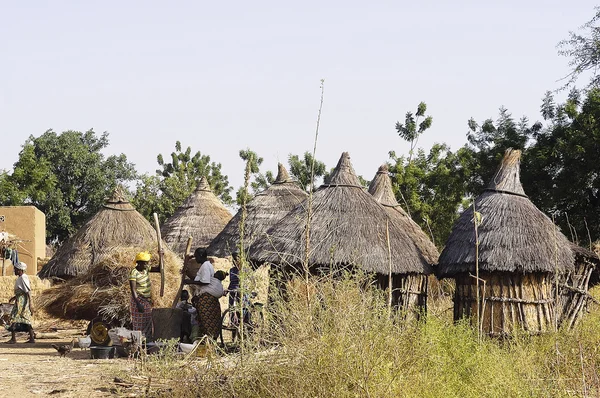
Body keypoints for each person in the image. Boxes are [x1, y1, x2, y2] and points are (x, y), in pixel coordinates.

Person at [183, 248, 223, 341]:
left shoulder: (205, 266)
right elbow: (198, 280)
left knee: (207, 321)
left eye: (196, 256)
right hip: (207, 297)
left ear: (201, 256)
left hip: (206, 298)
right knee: (206, 321)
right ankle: (209, 341)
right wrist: (188, 274)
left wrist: (189, 281)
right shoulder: (206, 265)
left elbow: (204, 282)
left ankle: (210, 341)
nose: (196, 259)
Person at [129, 251, 161, 337]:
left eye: (147, 263)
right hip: (138, 300)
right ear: (139, 263)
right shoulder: (134, 272)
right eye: (145, 263)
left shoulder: (145, 270)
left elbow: (159, 269)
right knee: (139, 326)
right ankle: (138, 345)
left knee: (148, 323)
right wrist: (138, 304)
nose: (147, 265)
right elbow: (133, 290)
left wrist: (161, 256)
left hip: (146, 301)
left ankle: (146, 343)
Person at [5, 262, 35, 344]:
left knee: (14, 317)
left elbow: (28, 291)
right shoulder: (20, 278)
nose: (14, 270)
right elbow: (21, 291)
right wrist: (14, 297)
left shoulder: (23, 278)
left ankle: (13, 339)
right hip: (19, 300)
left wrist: (30, 303)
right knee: (25, 319)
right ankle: (32, 338)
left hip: (22, 302)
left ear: (20, 270)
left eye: (16, 269)